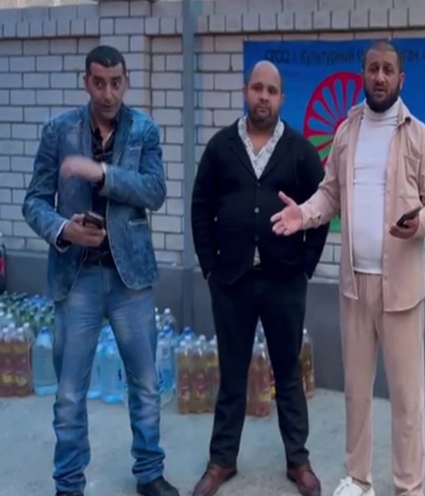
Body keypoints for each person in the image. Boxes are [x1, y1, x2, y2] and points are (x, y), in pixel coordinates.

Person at [271, 39, 425, 496]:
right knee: (356, 392)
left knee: (407, 398)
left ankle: (409, 487)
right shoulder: (347, 132)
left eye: (388, 69)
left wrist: (419, 223)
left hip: (402, 289)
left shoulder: (421, 137)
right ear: (363, 74)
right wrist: (303, 214)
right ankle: (358, 479)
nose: (380, 77)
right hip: (354, 286)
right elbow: (329, 193)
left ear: (401, 78)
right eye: (373, 69)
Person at [22, 45, 178, 496]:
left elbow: (154, 191)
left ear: (125, 82)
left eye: (115, 83)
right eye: (99, 83)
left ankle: (149, 473)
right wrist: (64, 230)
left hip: (131, 279)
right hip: (77, 280)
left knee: (145, 383)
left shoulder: (143, 129)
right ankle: (69, 484)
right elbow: (34, 201)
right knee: (70, 393)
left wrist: (100, 173)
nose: (108, 93)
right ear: (85, 83)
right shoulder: (58, 131)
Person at [189, 60, 329, 496]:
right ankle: (221, 460)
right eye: (257, 88)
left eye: (271, 90)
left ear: (282, 98)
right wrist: (210, 266)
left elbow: (322, 208)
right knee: (232, 373)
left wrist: (305, 266)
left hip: (284, 280)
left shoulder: (300, 151)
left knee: (288, 373)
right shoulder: (221, 147)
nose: (263, 97)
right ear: (245, 91)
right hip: (231, 281)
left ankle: (298, 461)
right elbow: (200, 207)